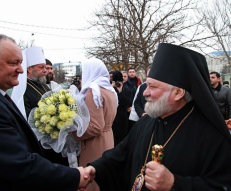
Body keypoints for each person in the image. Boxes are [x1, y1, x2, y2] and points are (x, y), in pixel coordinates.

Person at [84, 43, 231, 191]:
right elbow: (120, 154)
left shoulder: (213, 136)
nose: (144, 93)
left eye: (152, 87)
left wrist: (174, 183)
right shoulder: (145, 122)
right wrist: (94, 169)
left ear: (178, 93)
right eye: (146, 86)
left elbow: (221, 186)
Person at [0, 34, 91, 191]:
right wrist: (74, 177)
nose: (20, 69)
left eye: (21, 63)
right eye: (14, 63)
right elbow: (17, 164)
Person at [11, 46, 69, 166]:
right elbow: (26, 118)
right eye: (41, 67)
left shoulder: (44, 85)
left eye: (45, 67)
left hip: (54, 141)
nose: (45, 71)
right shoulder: (24, 90)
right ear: (29, 69)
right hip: (39, 146)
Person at [71, 58, 118, 191]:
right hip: (108, 137)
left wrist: (74, 134)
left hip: (95, 143)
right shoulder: (109, 90)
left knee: (92, 182)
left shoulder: (93, 91)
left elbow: (96, 126)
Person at [111, 70, 129, 146]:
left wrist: (120, 91)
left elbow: (125, 103)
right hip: (113, 118)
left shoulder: (126, 88)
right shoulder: (110, 89)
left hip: (122, 118)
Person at [123, 67, 142, 132]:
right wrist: (128, 107)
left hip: (137, 107)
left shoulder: (139, 82)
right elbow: (125, 97)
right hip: (128, 109)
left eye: (133, 72)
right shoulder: (125, 84)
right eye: (130, 72)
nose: (132, 73)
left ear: (135, 73)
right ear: (128, 74)